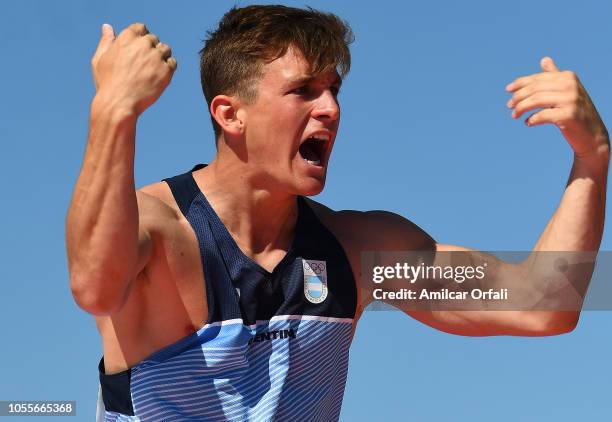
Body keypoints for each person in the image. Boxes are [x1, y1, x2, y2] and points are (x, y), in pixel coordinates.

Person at [65, 4, 609, 422]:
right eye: (303, 91)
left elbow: (543, 305)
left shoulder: (357, 250)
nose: (330, 109)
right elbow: (94, 285)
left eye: (333, 90)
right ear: (230, 115)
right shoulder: (156, 228)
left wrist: (592, 156)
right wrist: (113, 112)